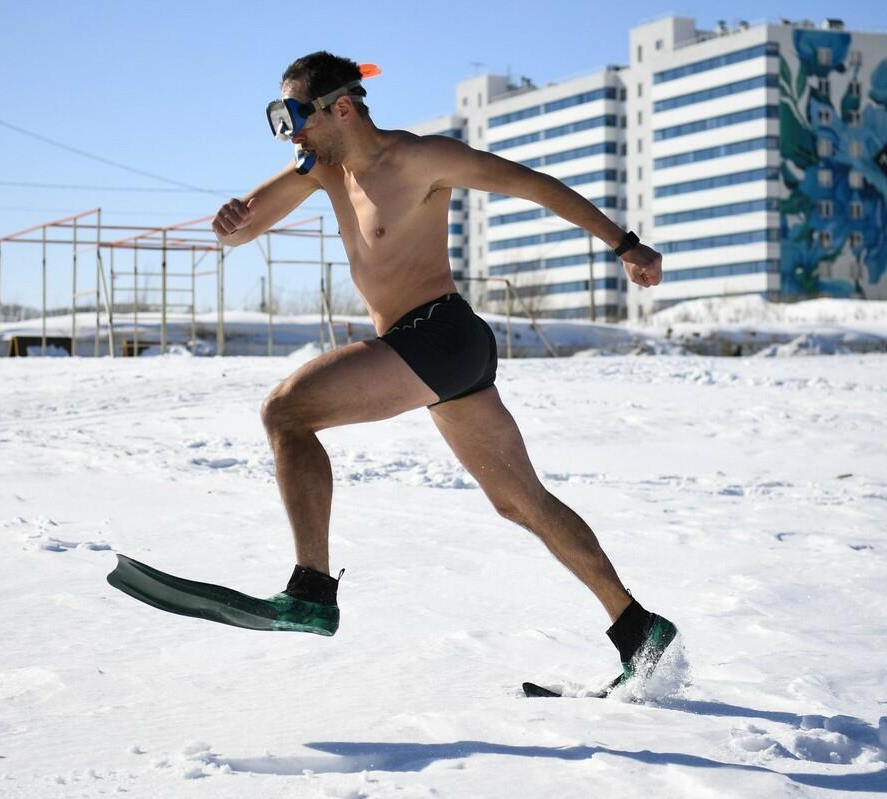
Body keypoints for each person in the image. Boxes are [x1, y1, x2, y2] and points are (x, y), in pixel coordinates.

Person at [211, 51, 676, 688]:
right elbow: (248, 222)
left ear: (340, 107)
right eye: (279, 119)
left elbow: (533, 184)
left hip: (440, 335)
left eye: (294, 115)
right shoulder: (322, 169)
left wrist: (625, 244)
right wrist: (232, 225)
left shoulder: (422, 159)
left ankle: (312, 590)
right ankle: (639, 631)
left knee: (286, 411)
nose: (290, 131)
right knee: (523, 503)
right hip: (438, 351)